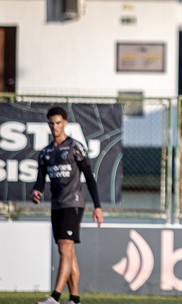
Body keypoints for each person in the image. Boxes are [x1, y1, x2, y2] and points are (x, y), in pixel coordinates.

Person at [32, 106, 104, 304]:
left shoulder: (75, 147)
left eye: (58, 122)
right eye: (51, 123)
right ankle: (75, 298)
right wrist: (36, 190)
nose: (54, 126)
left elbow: (89, 177)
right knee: (68, 252)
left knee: (65, 248)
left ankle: (54, 297)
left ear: (64, 123)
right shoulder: (46, 153)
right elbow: (40, 179)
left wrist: (97, 206)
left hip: (73, 204)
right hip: (56, 205)